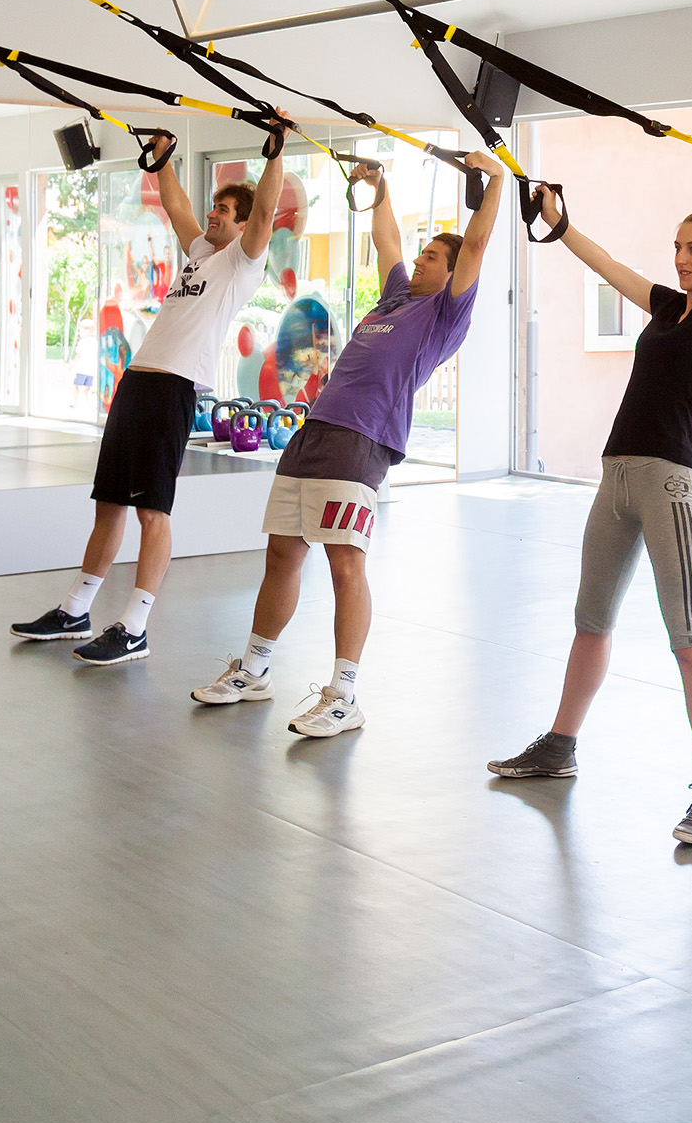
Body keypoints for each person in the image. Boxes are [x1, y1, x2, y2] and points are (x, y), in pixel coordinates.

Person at [486, 157, 692, 847]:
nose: (681, 256)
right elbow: (603, 262)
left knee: (688, 639)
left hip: (669, 482)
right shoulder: (668, 304)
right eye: (677, 246)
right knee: (590, 621)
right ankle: (559, 744)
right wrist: (555, 217)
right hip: (617, 479)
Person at [194, 153, 503, 732]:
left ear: (454, 272)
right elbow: (387, 238)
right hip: (314, 432)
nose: (419, 263)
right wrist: (380, 185)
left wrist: (497, 184)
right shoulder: (395, 299)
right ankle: (255, 669)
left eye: (433, 257)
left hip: (363, 441)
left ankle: (344, 694)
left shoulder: (443, 314)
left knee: (344, 565)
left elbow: (479, 244)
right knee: (282, 553)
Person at [11, 133, 289, 664]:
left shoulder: (242, 264)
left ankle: (135, 625)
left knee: (151, 513)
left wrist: (273, 155)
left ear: (244, 223)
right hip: (138, 380)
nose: (213, 214)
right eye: (216, 205)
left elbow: (268, 208)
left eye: (225, 210)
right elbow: (177, 204)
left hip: (174, 388)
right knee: (109, 503)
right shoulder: (203, 255)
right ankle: (75, 609)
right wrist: (161, 159)